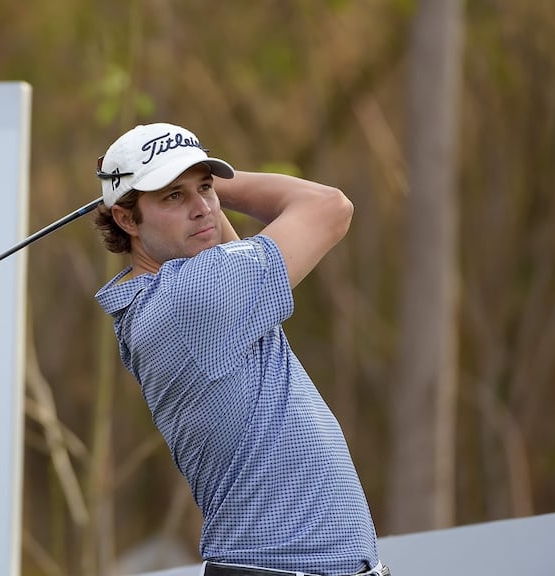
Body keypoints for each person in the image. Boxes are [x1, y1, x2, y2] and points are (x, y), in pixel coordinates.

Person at [93, 123, 387, 576]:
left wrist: (183, 176)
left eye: (205, 187)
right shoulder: (193, 297)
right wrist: (216, 184)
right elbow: (331, 206)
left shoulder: (164, 297)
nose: (202, 208)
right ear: (127, 219)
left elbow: (223, 242)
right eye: (173, 196)